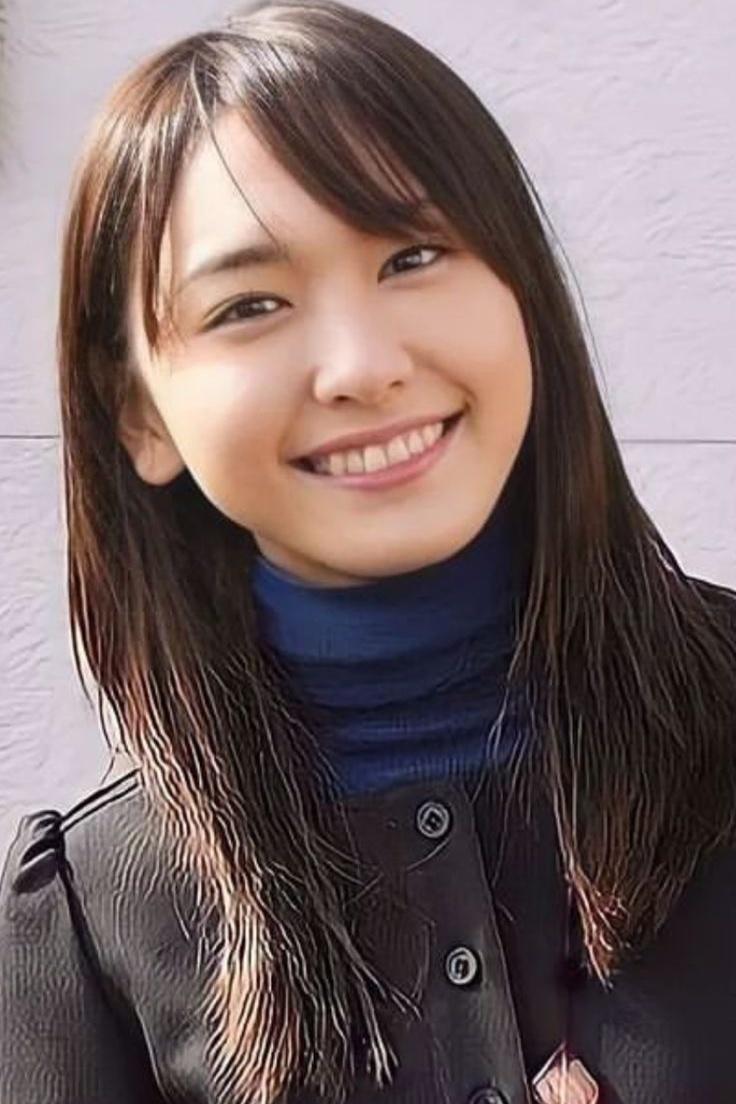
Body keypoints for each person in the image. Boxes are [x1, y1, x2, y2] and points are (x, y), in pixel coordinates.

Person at [1, 1, 735, 1101]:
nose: (361, 364)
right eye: (249, 305)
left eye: (413, 255)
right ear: (140, 415)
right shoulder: (92, 918)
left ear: (523, 294)